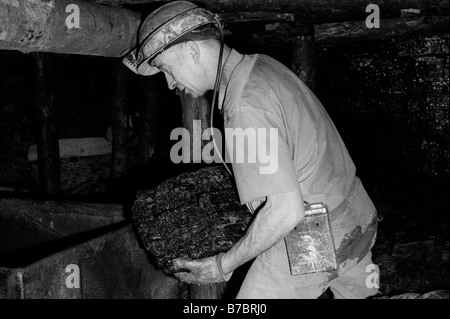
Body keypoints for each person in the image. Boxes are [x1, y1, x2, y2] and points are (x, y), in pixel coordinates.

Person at [123, 1, 380, 299]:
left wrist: (223, 265)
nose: (169, 83)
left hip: (317, 234)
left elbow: (286, 211)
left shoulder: (244, 103)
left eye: (166, 69)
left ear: (192, 52)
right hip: (357, 212)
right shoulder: (262, 65)